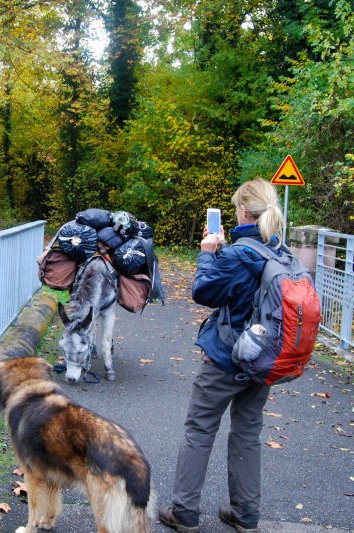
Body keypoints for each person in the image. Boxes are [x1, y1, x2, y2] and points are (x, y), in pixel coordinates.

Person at [159, 179, 287, 533]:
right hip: (263, 360)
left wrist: (207, 253)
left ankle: (184, 512)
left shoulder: (234, 254)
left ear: (244, 212)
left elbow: (204, 291)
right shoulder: (277, 250)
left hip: (227, 359)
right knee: (247, 433)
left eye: (235, 209)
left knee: (200, 429)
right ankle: (246, 515)